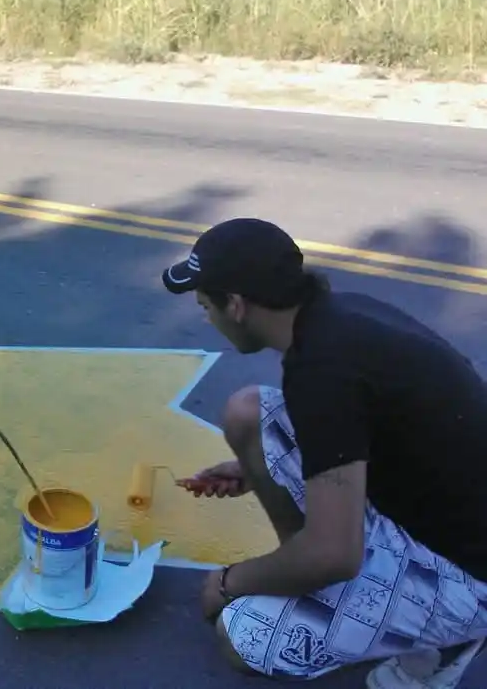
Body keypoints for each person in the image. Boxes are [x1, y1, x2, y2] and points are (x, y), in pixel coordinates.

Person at [161, 218, 487, 688]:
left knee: (243, 635)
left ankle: (447, 636)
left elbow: (335, 554)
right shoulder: (338, 317)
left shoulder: (323, 373)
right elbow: (372, 430)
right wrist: (256, 470)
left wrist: (228, 582)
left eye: (204, 305)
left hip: (466, 574)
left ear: (235, 305)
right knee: (248, 414)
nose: (205, 317)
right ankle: (315, 584)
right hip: (445, 512)